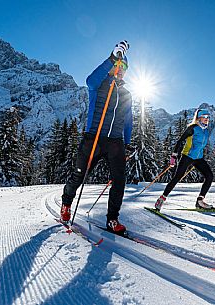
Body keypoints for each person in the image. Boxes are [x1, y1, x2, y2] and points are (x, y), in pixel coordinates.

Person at [60, 40, 133, 234]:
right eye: (117, 65)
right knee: (79, 175)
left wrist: (128, 143)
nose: (120, 69)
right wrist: (111, 58)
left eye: (123, 66)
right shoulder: (98, 85)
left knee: (119, 181)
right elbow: (89, 80)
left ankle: (112, 219)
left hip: (115, 142)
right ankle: (66, 204)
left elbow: (128, 120)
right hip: (94, 137)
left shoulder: (126, 93)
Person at [154, 109, 215, 211]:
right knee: (177, 177)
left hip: (198, 158)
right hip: (187, 156)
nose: (207, 119)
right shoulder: (193, 128)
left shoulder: (206, 131)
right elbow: (180, 141)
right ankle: (161, 199)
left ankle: (200, 201)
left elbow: (202, 145)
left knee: (209, 176)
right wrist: (174, 156)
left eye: (208, 117)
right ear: (198, 118)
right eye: (204, 117)